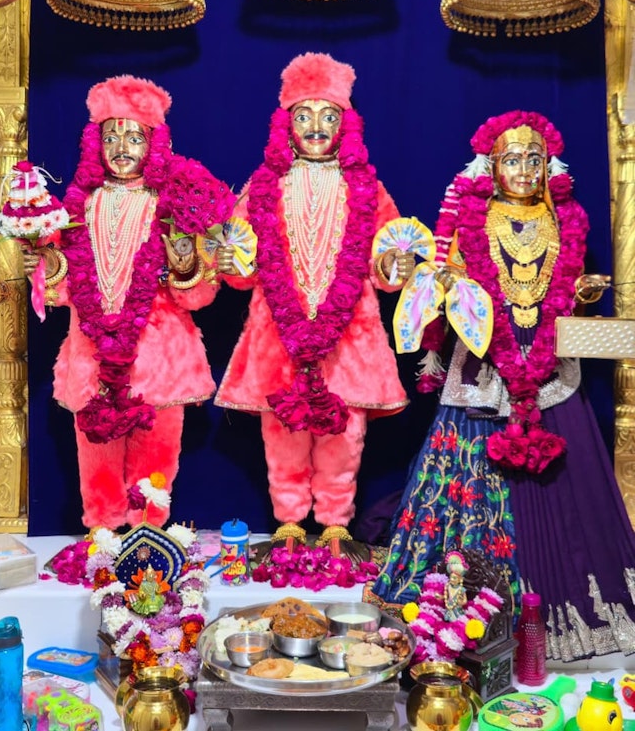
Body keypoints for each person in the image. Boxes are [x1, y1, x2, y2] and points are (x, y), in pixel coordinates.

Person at [369, 110, 635, 660]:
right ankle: (465, 608)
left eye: (535, 159)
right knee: (465, 485)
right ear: (490, 167)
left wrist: (583, 293)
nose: (524, 169)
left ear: (549, 167)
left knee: (567, 483)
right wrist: (445, 281)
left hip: (550, 366)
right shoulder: (472, 219)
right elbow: (451, 285)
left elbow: (564, 289)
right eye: (512, 159)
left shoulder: (564, 218)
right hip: (485, 361)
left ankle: (559, 603)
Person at [215, 52, 415, 556]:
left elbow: (387, 270)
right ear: (286, 124)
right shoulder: (262, 186)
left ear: (346, 124)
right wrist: (229, 260)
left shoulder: (368, 188)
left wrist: (395, 262)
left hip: (350, 335)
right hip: (277, 334)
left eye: (328, 116)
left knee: (344, 435)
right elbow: (241, 270)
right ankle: (288, 521)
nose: (316, 127)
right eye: (304, 116)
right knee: (281, 432)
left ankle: (334, 523)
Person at [23, 75, 234, 531]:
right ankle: (101, 546)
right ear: (94, 144)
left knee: (154, 473)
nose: (121, 147)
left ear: (153, 145)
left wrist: (185, 264)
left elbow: (197, 297)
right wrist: (45, 265)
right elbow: (61, 290)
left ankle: (150, 545)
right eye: (111, 137)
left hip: (162, 363)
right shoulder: (75, 210)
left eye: (134, 137)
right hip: (92, 361)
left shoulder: (176, 205)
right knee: (97, 472)